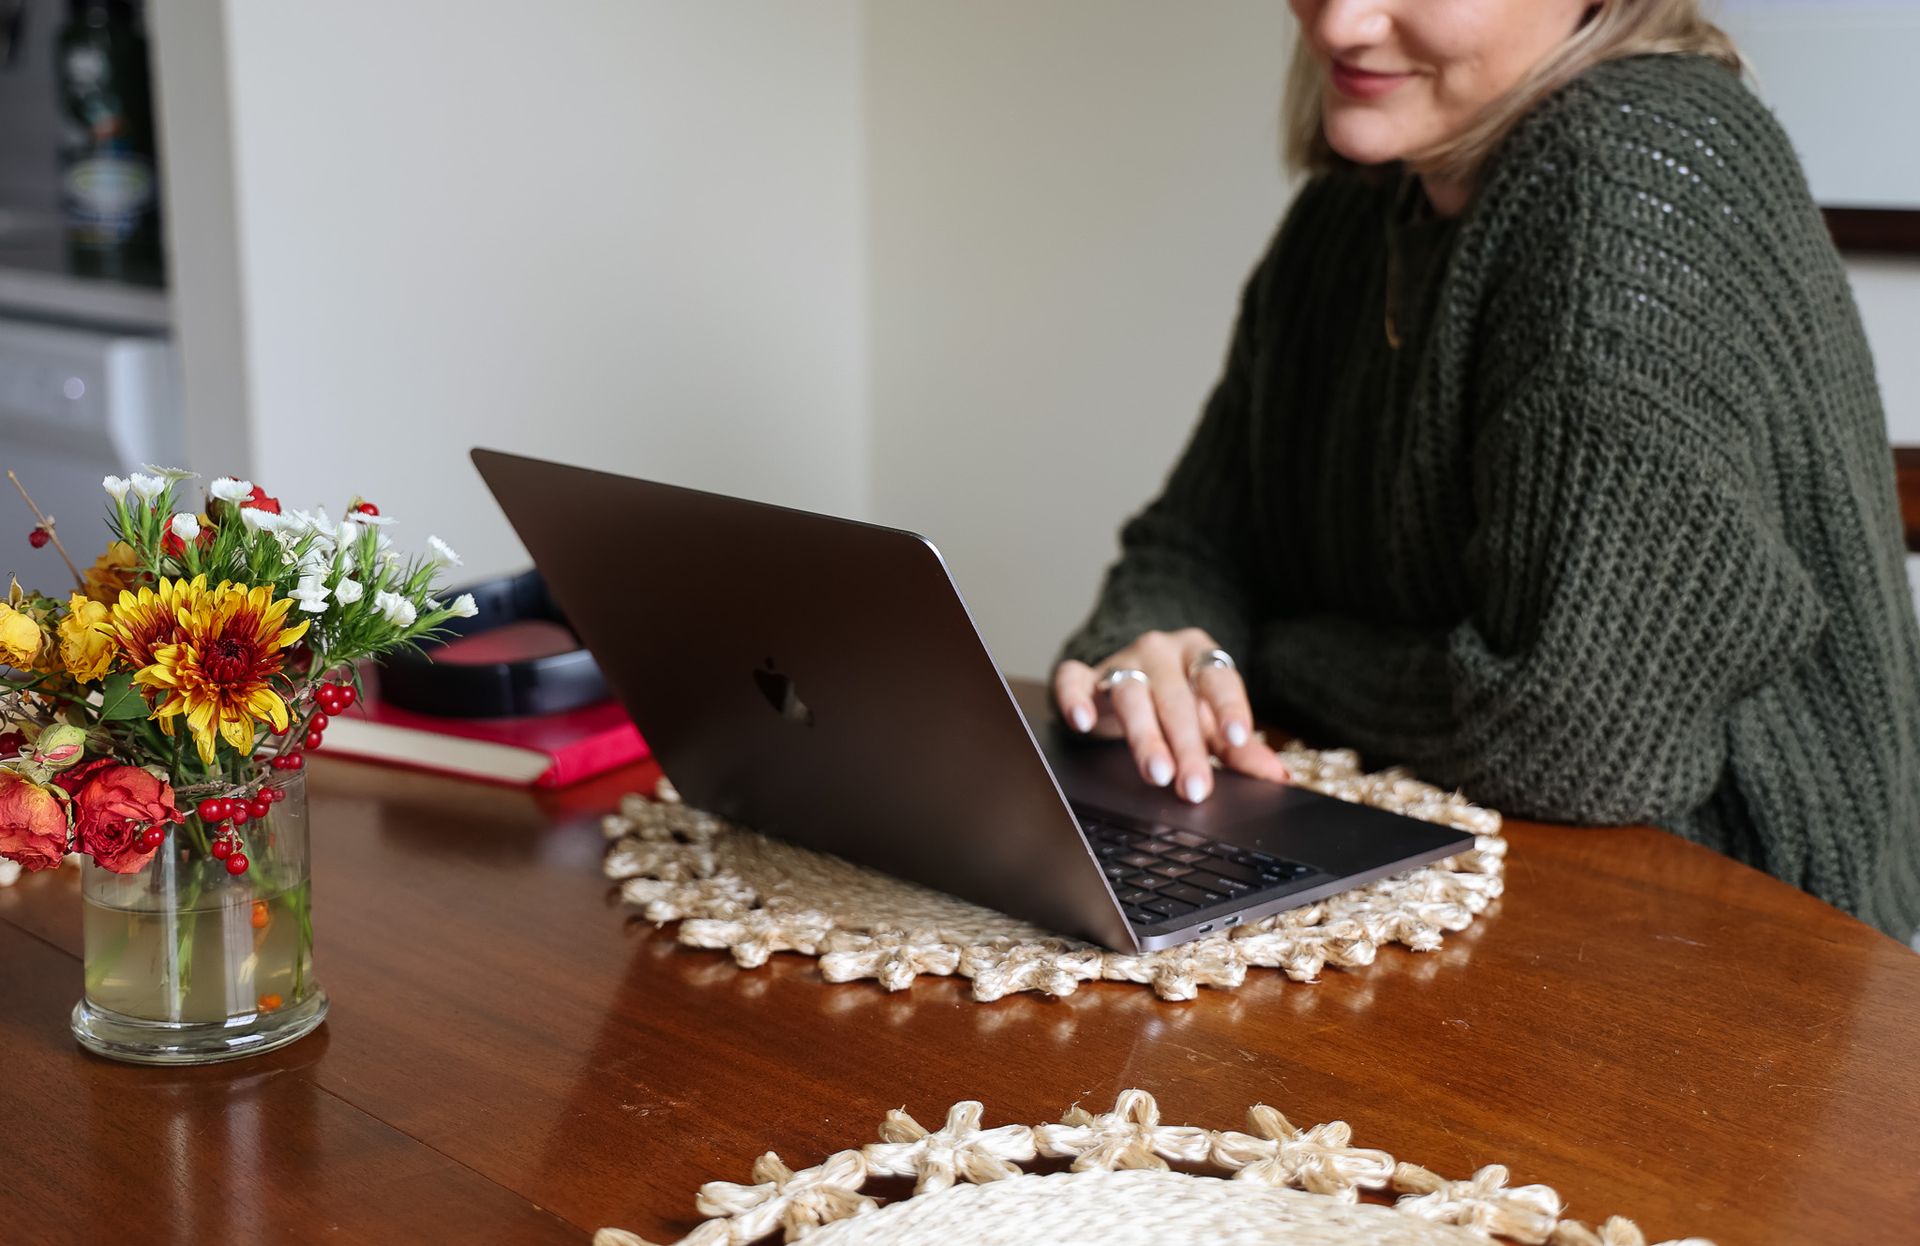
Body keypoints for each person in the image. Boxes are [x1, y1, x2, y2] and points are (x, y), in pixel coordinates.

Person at [1054, 0, 1920, 942]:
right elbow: (1199, 537)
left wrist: (1260, 657)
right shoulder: (1353, 205)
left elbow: (1586, 738)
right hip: (1476, 879)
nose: (1340, 25)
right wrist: (1159, 651)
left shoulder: (1623, 169)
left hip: (1742, 942)